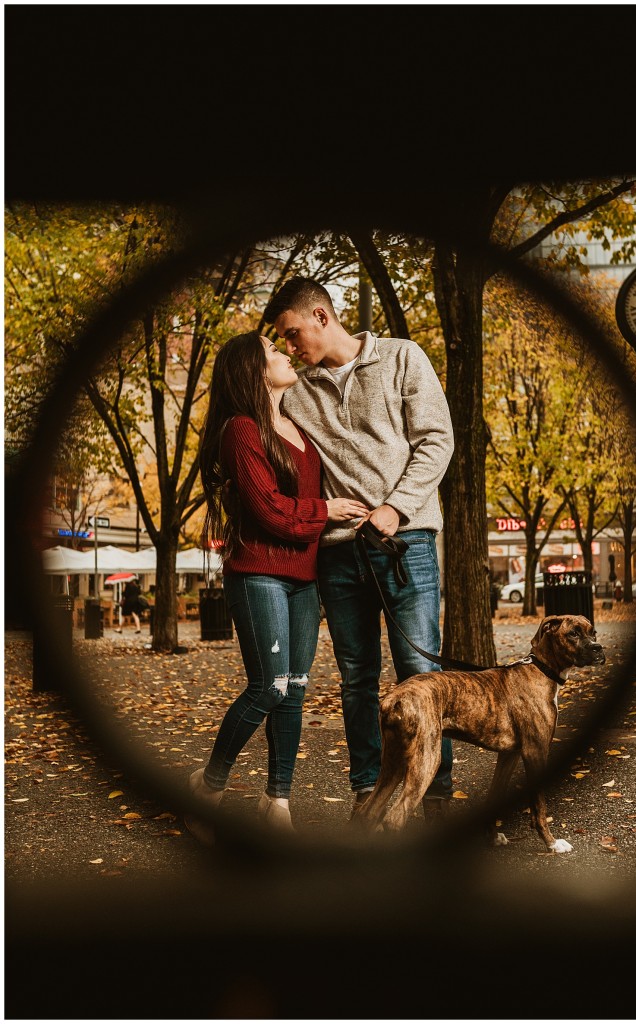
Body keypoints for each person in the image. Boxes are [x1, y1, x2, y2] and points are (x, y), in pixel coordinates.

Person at [264, 277, 456, 822]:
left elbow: (436, 439)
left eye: (293, 333)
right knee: (357, 678)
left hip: (406, 541)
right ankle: (367, 794)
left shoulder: (401, 358)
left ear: (322, 317)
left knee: (421, 673)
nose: (290, 346)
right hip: (339, 554)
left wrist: (396, 507)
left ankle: (435, 799)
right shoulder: (295, 391)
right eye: (283, 339)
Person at [188, 330, 367, 843]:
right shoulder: (242, 431)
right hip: (258, 573)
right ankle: (209, 787)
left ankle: (277, 801)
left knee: (294, 690)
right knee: (268, 685)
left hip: (303, 580)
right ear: (251, 369)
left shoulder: (298, 429)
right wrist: (325, 511)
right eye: (273, 350)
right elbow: (269, 512)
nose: (286, 353)